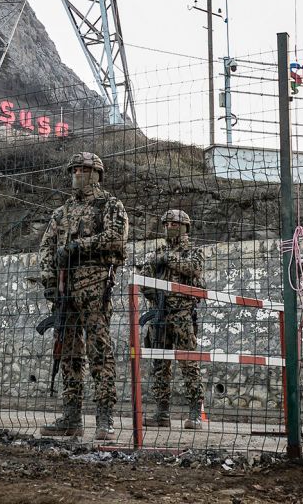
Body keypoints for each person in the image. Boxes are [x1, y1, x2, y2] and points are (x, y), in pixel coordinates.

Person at [37, 152, 129, 440]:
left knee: (99, 351)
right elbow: (47, 249)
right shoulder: (61, 212)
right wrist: (49, 281)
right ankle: (72, 416)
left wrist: (80, 246)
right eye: (74, 169)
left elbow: (116, 237)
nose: (78, 174)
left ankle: (105, 418)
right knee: (69, 354)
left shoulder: (109, 205)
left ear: (97, 174)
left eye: (84, 170)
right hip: (66, 293)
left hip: (95, 288)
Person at [140, 209, 205, 429]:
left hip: (183, 315)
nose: (169, 228)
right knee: (159, 364)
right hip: (159, 313)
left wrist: (167, 259)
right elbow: (144, 279)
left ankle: (195, 412)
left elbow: (194, 269)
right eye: (166, 224)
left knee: (188, 363)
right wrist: (153, 293)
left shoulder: (193, 252)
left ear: (185, 227)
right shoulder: (156, 251)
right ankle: (162, 412)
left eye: (174, 224)